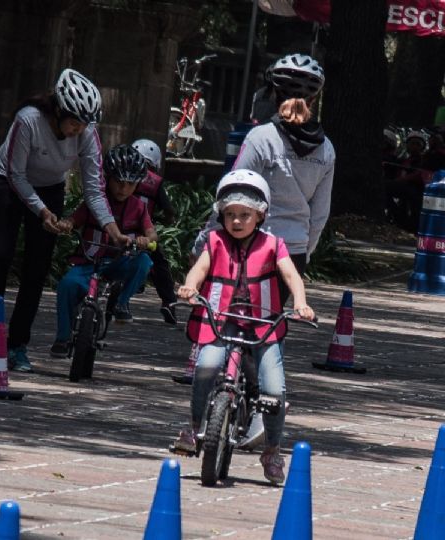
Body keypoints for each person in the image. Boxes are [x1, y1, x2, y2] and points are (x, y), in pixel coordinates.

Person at [0, 68, 122, 373]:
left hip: (50, 187)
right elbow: (16, 175)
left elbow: (94, 187)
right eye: (74, 121)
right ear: (58, 111)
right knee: (1, 255)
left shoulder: (87, 133)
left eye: (84, 123)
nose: (79, 129)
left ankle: (18, 345)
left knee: (37, 268)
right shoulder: (28, 120)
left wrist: (111, 227)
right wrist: (42, 212)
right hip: (9, 184)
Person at [169, 170, 316, 484]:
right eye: (230, 215)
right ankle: (195, 429)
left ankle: (272, 450)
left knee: (274, 390)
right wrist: (189, 287)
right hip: (221, 321)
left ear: (261, 215)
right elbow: (199, 269)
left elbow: (292, 276)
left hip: (263, 327)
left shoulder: (274, 245)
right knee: (206, 368)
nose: (237, 221)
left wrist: (300, 303)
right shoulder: (214, 241)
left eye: (245, 215)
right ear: (221, 215)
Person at [195, 52, 334, 294]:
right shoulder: (327, 149)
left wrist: (203, 244)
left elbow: (233, 194)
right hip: (294, 252)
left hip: (250, 246)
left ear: (272, 93)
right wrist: (304, 252)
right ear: (314, 99)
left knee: (228, 318)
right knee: (269, 325)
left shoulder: (261, 138)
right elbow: (319, 214)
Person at [49, 145, 157, 355]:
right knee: (66, 286)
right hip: (89, 262)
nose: (123, 188)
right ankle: (62, 338)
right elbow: (74, 219)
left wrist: (147, 240)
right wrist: (66, 224)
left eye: (130, 184)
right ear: (108, 178)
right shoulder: (96, 201)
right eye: (118, 181)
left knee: (144, 262)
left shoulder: (139, 207)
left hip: (120, 262)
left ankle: (122, 304)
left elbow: (152, 234)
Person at [110, 138, 178, 324]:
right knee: (159, 264)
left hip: (114, 225)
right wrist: (164, 219)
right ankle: (169, 303)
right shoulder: (155, 181)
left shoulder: (116, 176)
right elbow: (169, 210)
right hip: (140, 230)